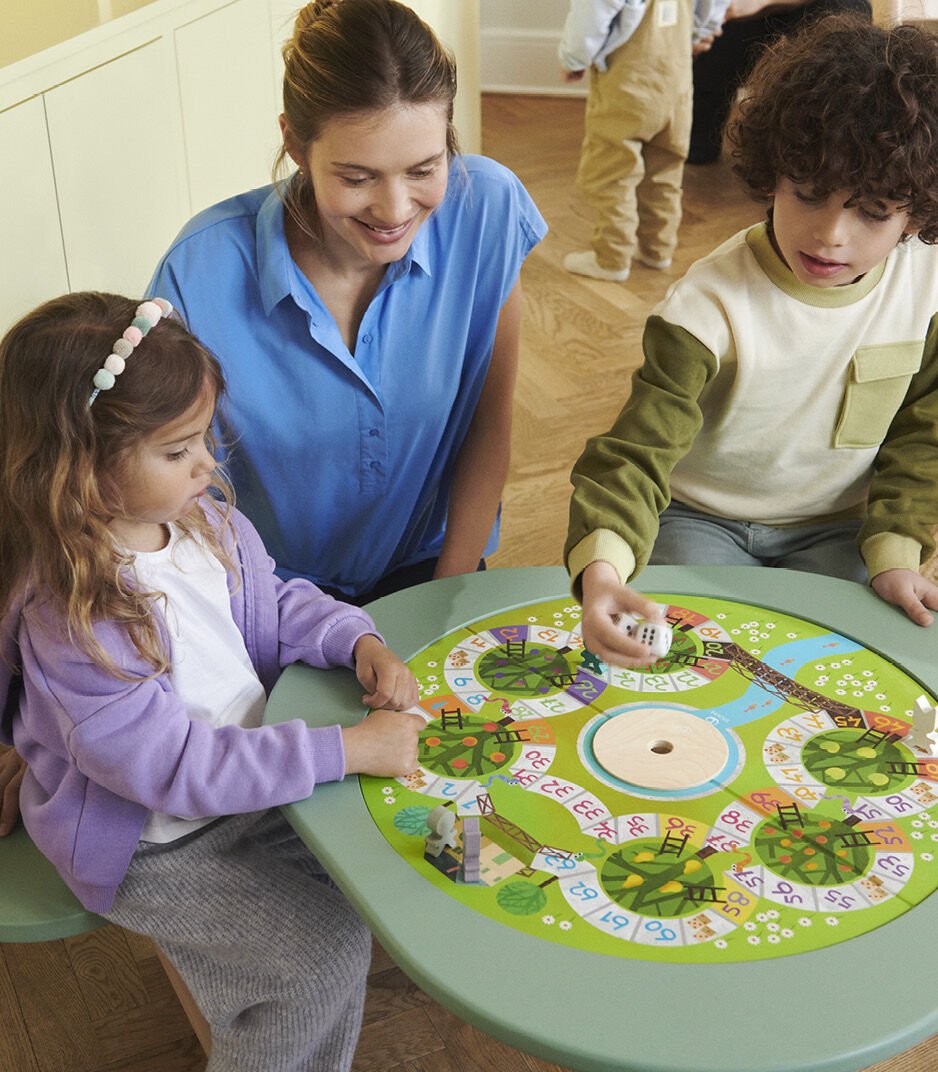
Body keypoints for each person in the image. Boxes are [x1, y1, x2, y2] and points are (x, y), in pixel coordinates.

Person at [0, 291, 424, 1071]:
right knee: (315, 960)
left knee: (385, 883)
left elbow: (268, 602)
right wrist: (346, 751)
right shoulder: (74, 617)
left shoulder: (203, 520)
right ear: (81, 469)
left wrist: (353, 638)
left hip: (255, 779)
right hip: (158, 842)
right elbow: (172, 772)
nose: (209, 464)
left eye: (204, 439)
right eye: (177, 451)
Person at [564, 15, 938, 666]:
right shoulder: (705, 308)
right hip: (698, 519)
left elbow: (922, 437)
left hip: (835, 528)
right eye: (809, 194)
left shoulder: (927, 293)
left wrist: (896, 553)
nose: (830, 235)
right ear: (772, 174)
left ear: (917, 214)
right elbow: (635, 456)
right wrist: (601, 573)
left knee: (849, 661)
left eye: (873, 212)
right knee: (700, 658)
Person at [149, 0, 547, 606]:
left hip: (434, 569)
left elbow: (486, 427)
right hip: (267, 596)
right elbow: (175, 495)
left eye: (424, 168)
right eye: (357, 178)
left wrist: (438, 609)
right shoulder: (198, 272)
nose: (393, 210)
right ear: (295, 144)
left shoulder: (487, 209)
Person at [558, 0, 697, 282]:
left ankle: (612, 257)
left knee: (613, 171)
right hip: (676, 82)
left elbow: (592, 12)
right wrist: (704, 28)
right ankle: (657, 249)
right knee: (665, 170)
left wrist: (574, 58)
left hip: (629, 84)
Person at [688, 0, 871, 165]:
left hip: (815, 14)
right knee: (694, 147)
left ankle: (812, 157)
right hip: (741, 19)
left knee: (842, 12)